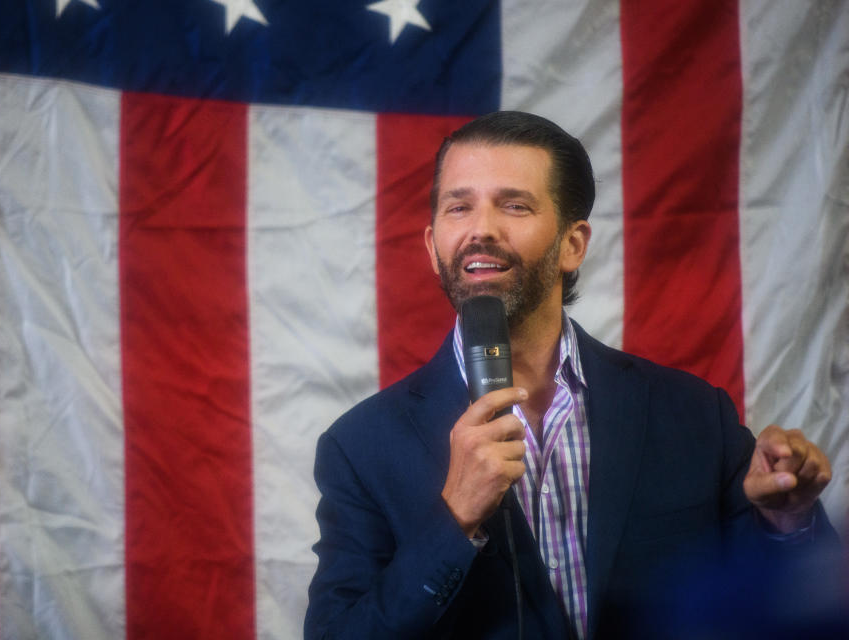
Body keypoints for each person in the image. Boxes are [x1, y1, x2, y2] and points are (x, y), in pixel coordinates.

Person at [304, 111, 840, 639]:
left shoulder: (695, 415)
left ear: (573, 244)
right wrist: (455, 519)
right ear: (432, 247)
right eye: (458, 207)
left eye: (514, 205)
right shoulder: (360, 449)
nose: (480, 229)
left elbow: (798, 606)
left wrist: (787, 523)